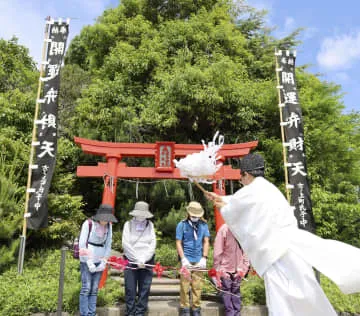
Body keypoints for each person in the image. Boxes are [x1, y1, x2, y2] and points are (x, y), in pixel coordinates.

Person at [205, 153, 360, 316]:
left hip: (277, 254)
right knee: (305, 292)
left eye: (241, 175)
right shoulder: (266, 188)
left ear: (248, 174)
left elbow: (234, 208)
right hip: (288, 248)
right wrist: (221, 199)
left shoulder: (253, 190)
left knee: (283, 299)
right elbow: (237, 202)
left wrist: (222, 205)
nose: (240, 180)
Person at [79, 203, 118, 316]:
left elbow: (108, 244)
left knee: (95, 288)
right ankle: (84, 313)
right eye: (104, 219)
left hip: (100, 259)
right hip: (87, 258)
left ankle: (92, 313)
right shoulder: (88, 224)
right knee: (86, 288)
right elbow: (82, 244)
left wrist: (104, 261)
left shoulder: (109, 226)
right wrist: (89, 262)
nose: (105, 221)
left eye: (108, 219)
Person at [122, 201, 156, 316]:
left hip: (147, 260)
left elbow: (153, 243)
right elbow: (125, 244)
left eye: (143, 214)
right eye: (139, 213)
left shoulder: (150, 225)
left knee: (144, 289)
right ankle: (130, 312)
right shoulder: (128, 224)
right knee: (130, 289)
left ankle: (140, 312)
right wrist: (137, 259)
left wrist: (145, 258)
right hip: (131, 260)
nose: (141, 216)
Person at [176, 201, 210, 316]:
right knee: (184, 286)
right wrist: (183, 259)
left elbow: (206, 241)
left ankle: (196, 308)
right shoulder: (182, 225)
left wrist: (204, 257)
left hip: (199, 259)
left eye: (197, 216)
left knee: (197, 285)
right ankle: (184, 308)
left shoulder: (204, 225)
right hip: (186, 258)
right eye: (193, 215)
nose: (195, 217)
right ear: (188, 213)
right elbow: (178, 242)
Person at [213, 223, 250, 316]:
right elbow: (218, 251)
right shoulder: (224, 229)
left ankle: (236, 314)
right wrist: (218, 269)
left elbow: (247, 252)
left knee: (236, 293)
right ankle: (231, 314)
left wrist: (244, 269)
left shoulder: (244, 230)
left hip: (239, 269)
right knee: (227, 293)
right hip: (225, 269)